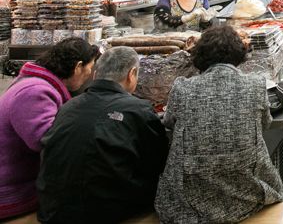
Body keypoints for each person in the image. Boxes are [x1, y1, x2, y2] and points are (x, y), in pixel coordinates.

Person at [155, 26, 283, 222]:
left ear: (199, 56)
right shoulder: (255, 85)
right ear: (239, 54)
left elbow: (169, 122)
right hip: (248, 194)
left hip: (188, 203)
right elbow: (265, 124)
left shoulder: (182, 87)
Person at [37, 47, 168, 223]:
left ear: (96, 73)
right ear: (132, 74)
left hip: (53, 208)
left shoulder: (69, 106)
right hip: (106, 211)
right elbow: (157, 162)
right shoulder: (137, 109)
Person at [0, 38, 99, 220]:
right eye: (90, 68)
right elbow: (48, 142)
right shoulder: (34, 92)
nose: (90, 74)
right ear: (78, 67)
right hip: (12, 192)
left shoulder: (35, 84)